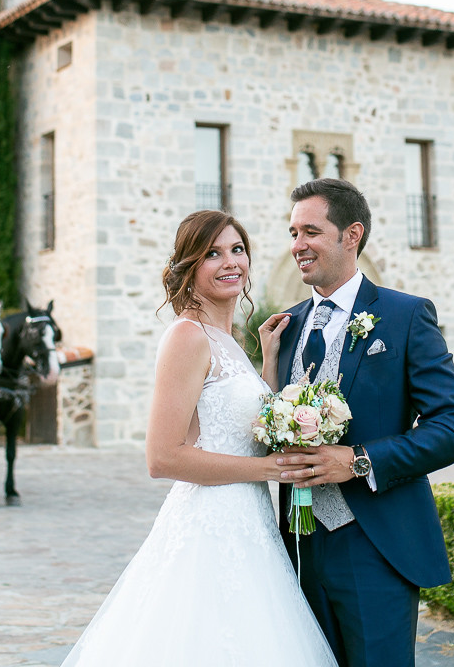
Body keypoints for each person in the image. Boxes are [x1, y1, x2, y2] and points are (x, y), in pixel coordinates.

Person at [60, 210, 337, 667]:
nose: (231, 262)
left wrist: (267, 363)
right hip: (210, 524)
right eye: (212, 253)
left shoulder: (227, 339)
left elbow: (244, 430)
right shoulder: (187, 337)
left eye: (237, 249)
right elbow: (163, 457)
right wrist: (268, 470)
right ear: (189, 267)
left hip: (249, 521)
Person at [261, 179, 454, 667]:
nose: (297, 246)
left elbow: (452, 426)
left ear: (351, 234)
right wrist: (268, 368)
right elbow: (272, 426)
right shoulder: (285, 328)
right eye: (293, 232)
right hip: (297, 546)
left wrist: (356, 460)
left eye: (310, 231)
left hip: (375, 544)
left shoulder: (405, 315)